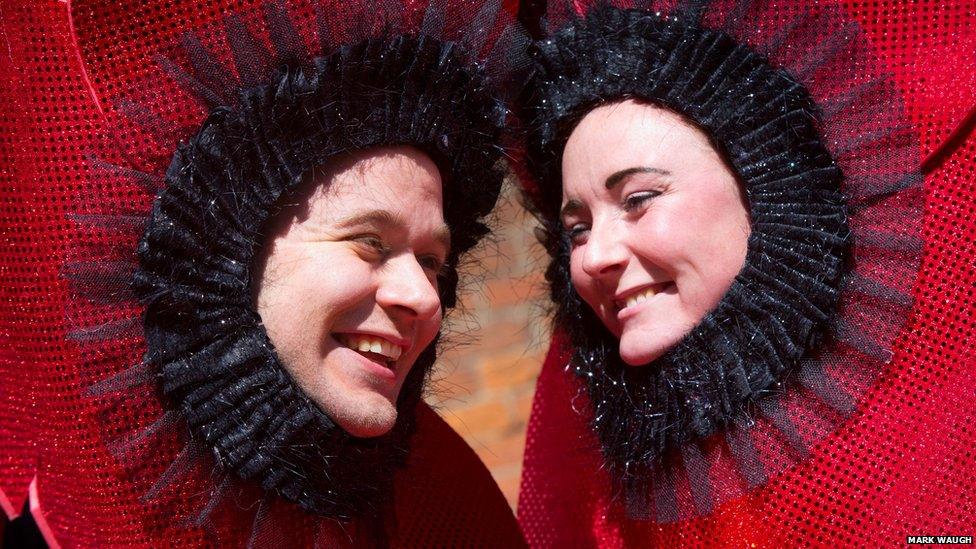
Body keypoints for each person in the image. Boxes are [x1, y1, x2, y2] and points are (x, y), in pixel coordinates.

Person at [0, 0, 529, 546]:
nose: (424, 298)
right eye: (369, 242)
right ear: (228, 253)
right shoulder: (65, 498)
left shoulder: (453, 511)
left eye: (431, 262)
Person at [515, 0, 976, 545]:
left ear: (762, 190)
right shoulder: (591, 442)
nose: (594, 258)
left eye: (638, 199)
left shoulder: (936, 400)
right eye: (578, 230)